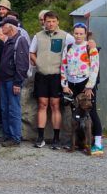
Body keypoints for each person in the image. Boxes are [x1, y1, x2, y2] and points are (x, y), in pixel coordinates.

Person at [30, 11, 75, 149]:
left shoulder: (66, 36)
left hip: (57, 75)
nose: (50, 24)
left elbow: (76, 49)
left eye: (53, 21)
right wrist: (39, 63)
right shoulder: (38, 36)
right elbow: (31, 52)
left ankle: (56, 139)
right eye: (48, 21)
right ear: (44, 22)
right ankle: (40, 137)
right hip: (42, 75)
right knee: (42, 104)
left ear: (58, 21)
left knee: (55, 105)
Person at [62, 23, 103, 156]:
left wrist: (89, 86)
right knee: (75, 113)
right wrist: (65, 84)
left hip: (85, 83)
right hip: (71, 84)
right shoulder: (68, 47)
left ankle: (97, 143)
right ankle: (79, 142)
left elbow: (95, 67)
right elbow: (63, 66)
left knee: (91, 112)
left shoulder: (90, 48)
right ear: (73, 33)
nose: (78, 36)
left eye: (81, 33)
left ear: (85, 34)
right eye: (76, 33)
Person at [0, 17, 30, 147]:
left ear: (10, 27)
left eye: (3, 25)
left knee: (13, 109)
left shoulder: (20, 40)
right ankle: (7, 135)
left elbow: (22, 64)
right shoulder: (9, 40)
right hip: (4, 79)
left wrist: (17, 82)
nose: (1, 28)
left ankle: (15, 137)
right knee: (5, 109)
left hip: (12, 81)